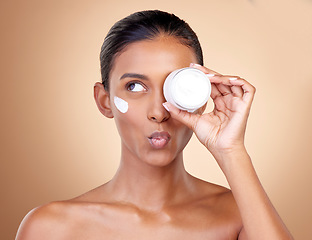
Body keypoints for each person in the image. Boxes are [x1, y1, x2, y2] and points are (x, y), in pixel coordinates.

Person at [16, 10, 293, 239]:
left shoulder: (241, 216)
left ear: (201, 97)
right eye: (135, 86)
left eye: (177, 86)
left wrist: (231, 150)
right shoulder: (51, 228)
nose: (159, 112)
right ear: (105, 101)